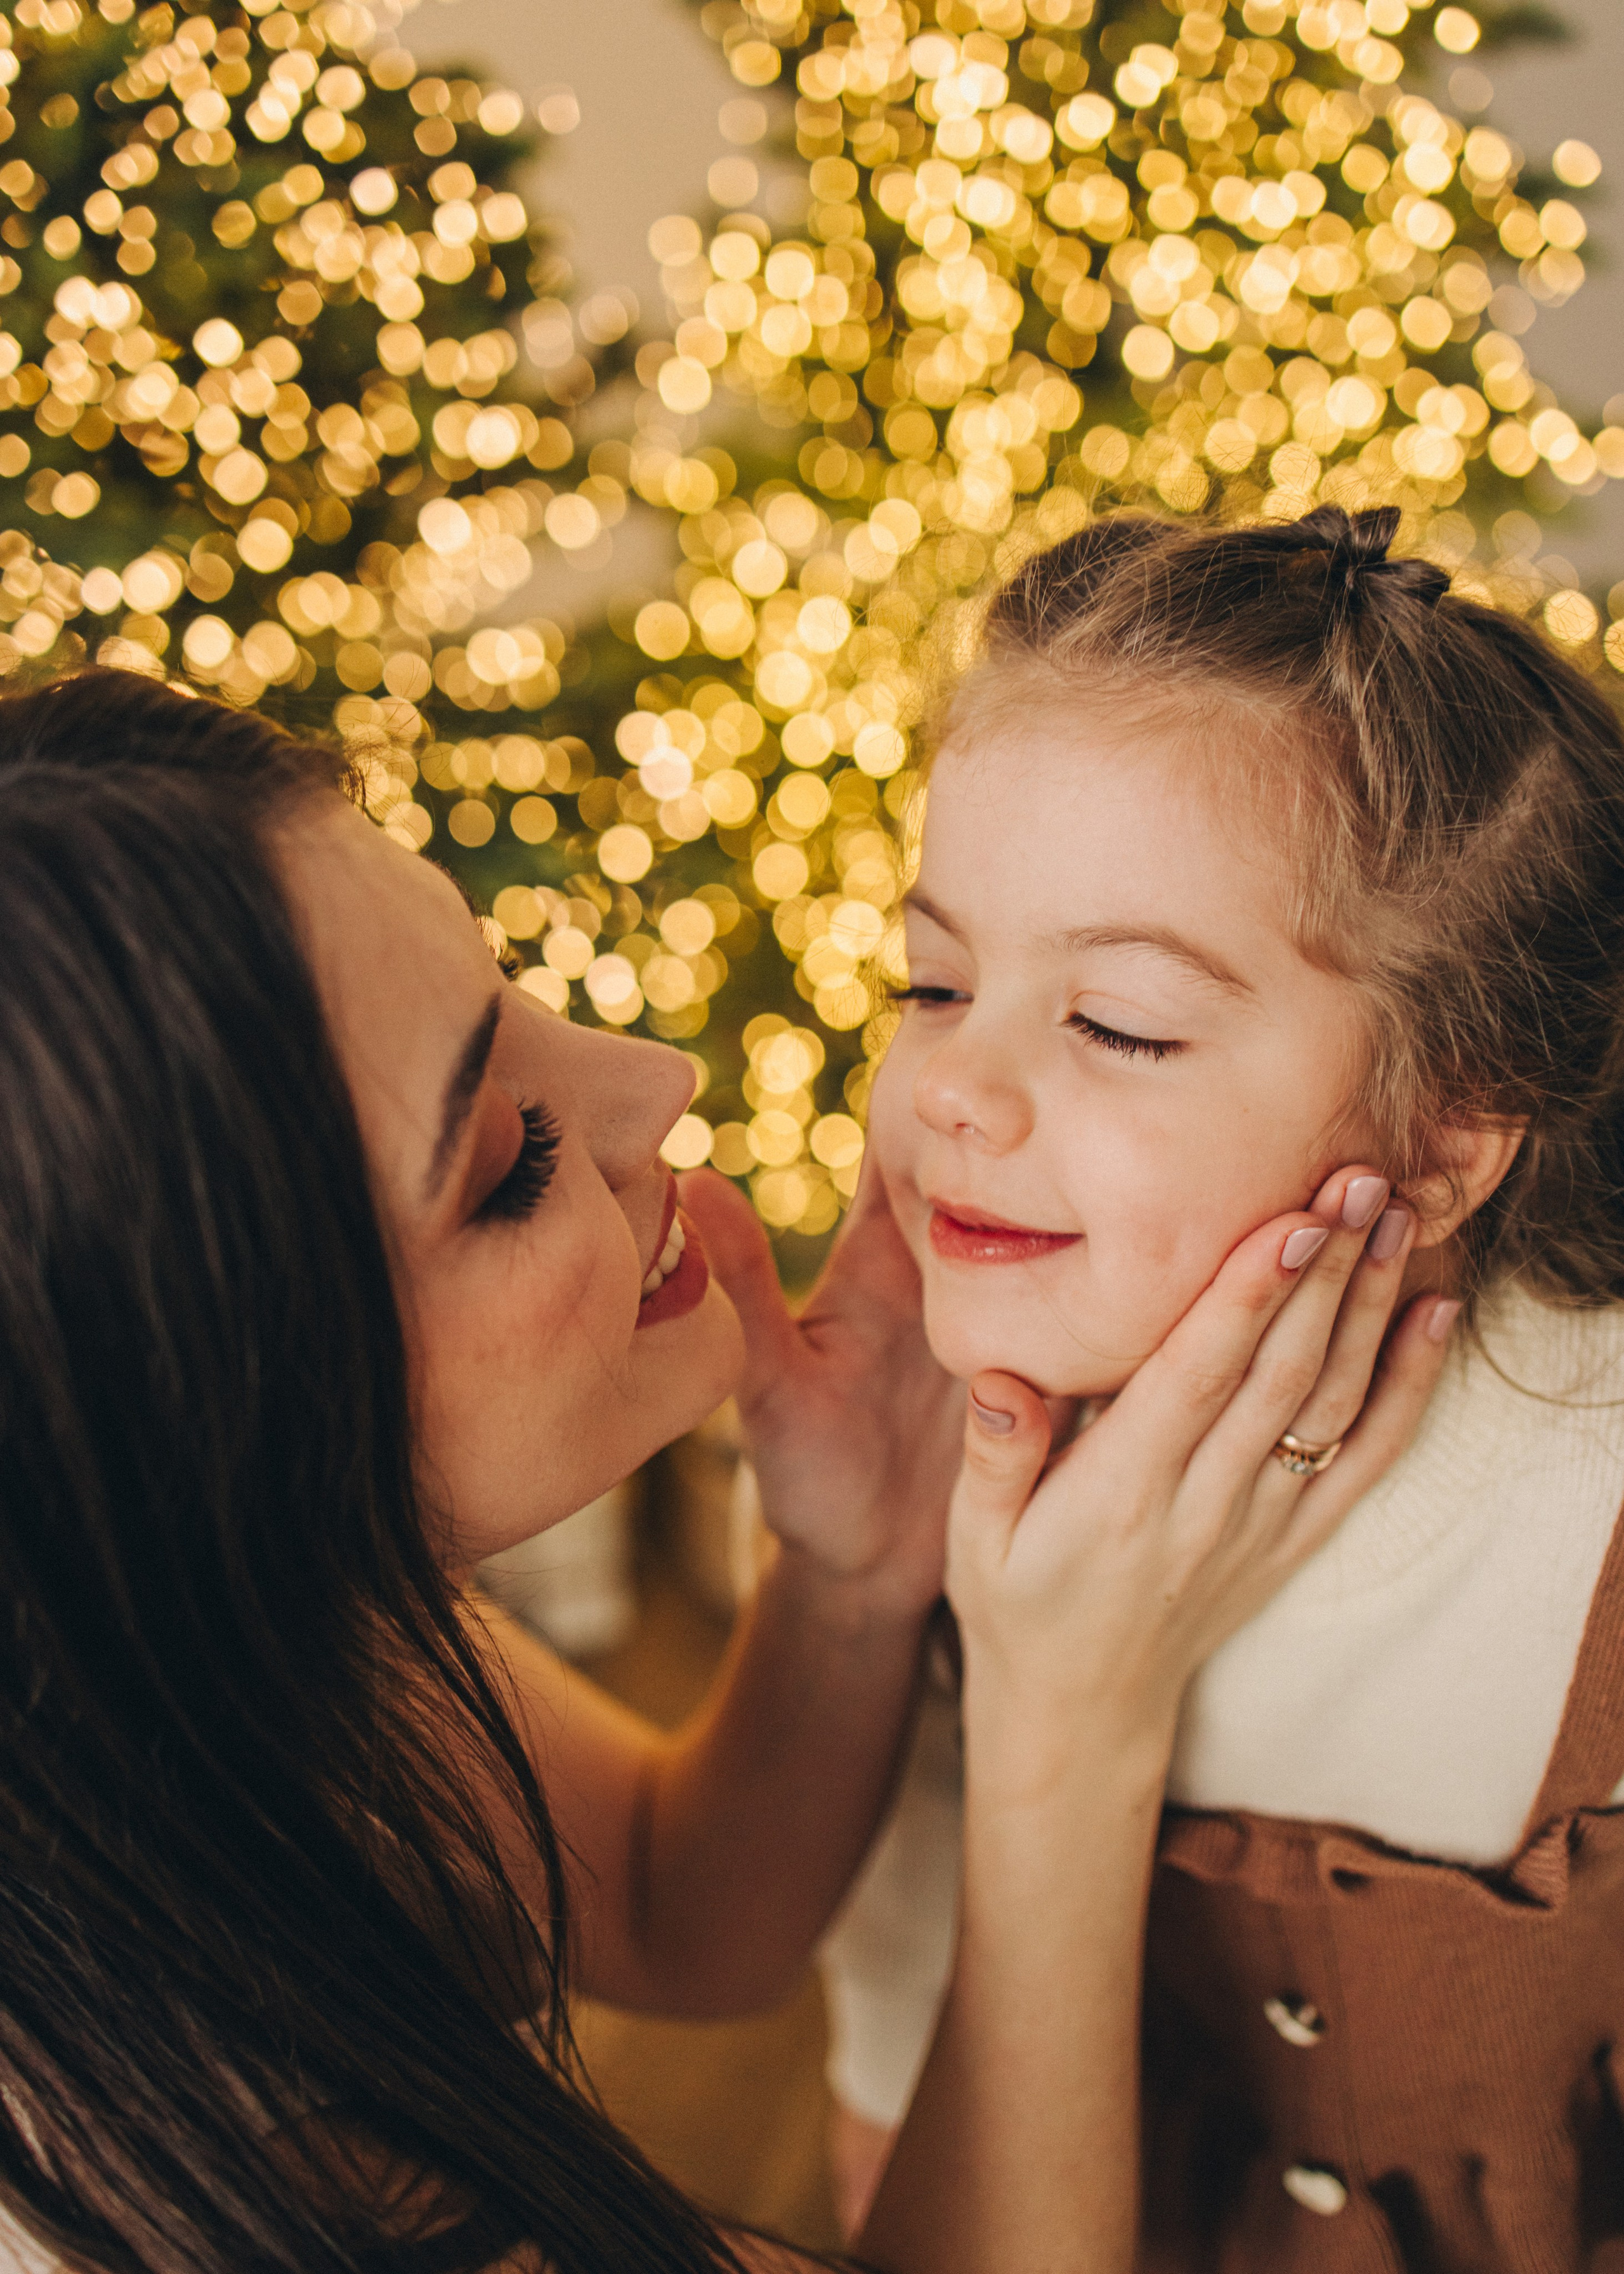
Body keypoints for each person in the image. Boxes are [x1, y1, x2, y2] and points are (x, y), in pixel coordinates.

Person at [0, 667, 1442, 2274]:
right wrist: (1068, 1713)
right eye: (508, 1161)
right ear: (224, 1459)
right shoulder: (175, 2194)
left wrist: (851, 1576)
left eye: (516, 993)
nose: (652, 1079)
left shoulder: (191, 1647)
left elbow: (682, 1906)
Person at [820, 503, 1624, 2268]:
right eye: (931, 979)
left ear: (1437, 1144)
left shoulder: (1596, 1495)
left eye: (1119, 1025)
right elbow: (892, 2037)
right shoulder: (908, 1466)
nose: (953, 1083)